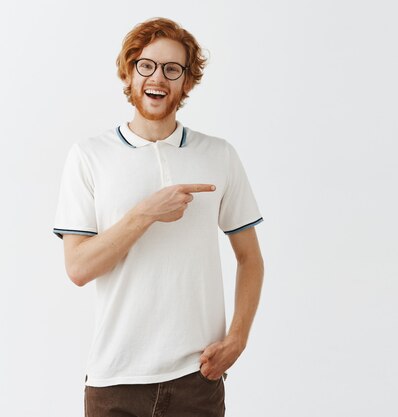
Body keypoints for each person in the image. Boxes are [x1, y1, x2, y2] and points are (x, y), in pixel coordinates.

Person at [53, 17, 264, 417]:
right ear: (130, 72)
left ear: (186, 81)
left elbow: (249, 258)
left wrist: (238, 338)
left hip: (197, 378)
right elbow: (78, 268)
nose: (159, 78)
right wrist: (145, 213)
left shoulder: (219, 155)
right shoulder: (89, 156)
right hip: (114, 383)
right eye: (146, 65)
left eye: (173, 69)